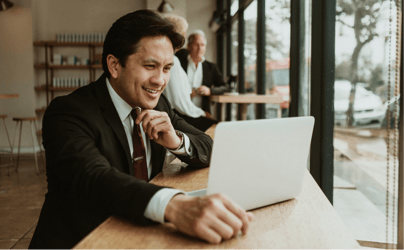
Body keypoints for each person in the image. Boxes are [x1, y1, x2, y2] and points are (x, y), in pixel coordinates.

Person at [29, 10, 252, 249]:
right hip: (83, 240)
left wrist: (175, 141)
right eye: (150, 66)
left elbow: (207, 145)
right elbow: (94, 178)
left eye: (167, 68)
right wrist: (174, 206)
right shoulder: (68, 112)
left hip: (138, 235)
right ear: (114, 65)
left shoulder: (159, 104)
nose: (160, 80)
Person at [162, 14, 217, 132]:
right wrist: (203, 113)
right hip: (178, 117)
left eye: (202, 45)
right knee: (217, 128)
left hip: (180, 114)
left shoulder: (173, 59)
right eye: (184, 33)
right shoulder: (173, 60)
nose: (185, 36)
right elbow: (180, 103)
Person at [176, 30, 230, 114]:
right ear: (188, 46)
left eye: (202, 45)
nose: (199, 48)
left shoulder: (211, 67)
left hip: (202, 113)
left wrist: (210, 90)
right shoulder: (179, 63)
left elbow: (226, 87)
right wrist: (185, 93)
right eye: (196, 44)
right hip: (179, 113)